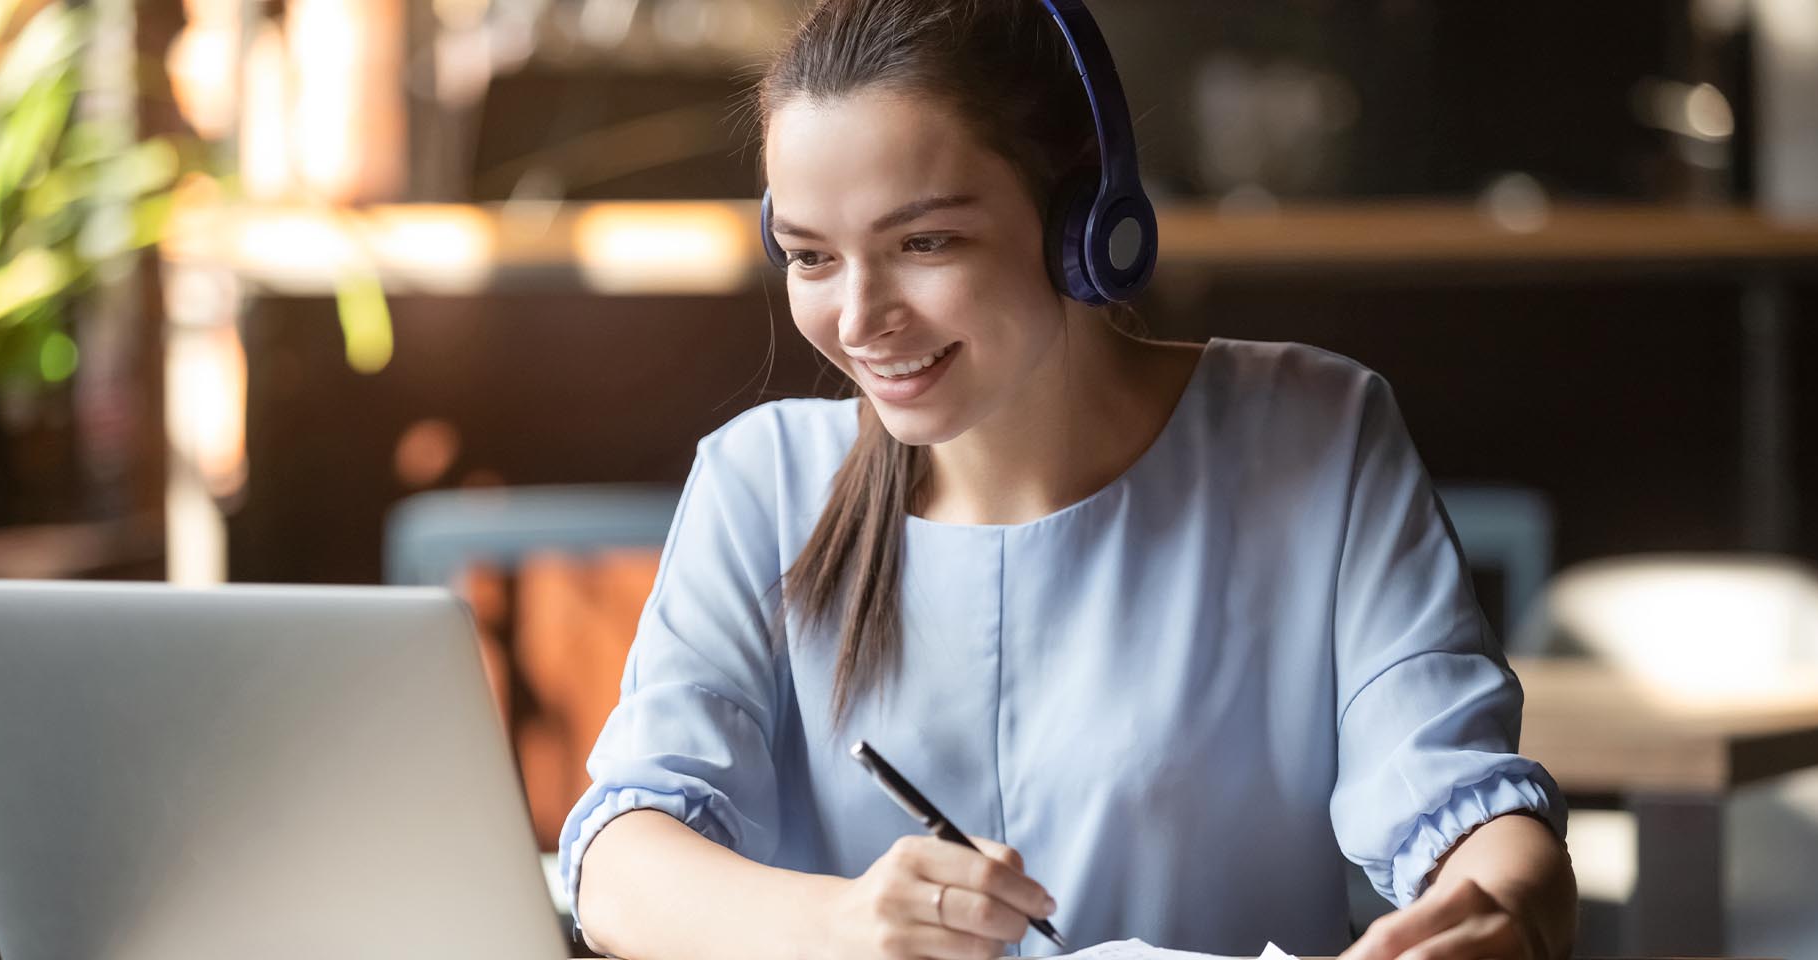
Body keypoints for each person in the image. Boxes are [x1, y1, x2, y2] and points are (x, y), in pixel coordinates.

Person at [557, 1, 1576, 957]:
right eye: (812, 257)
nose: (860, 319)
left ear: (1083, 223)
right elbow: (615, 863)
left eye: (923, 242)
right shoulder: (761, 479)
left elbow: (1468, 809)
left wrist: (1502, 921)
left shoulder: (1315, 434)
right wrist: (844, 927)